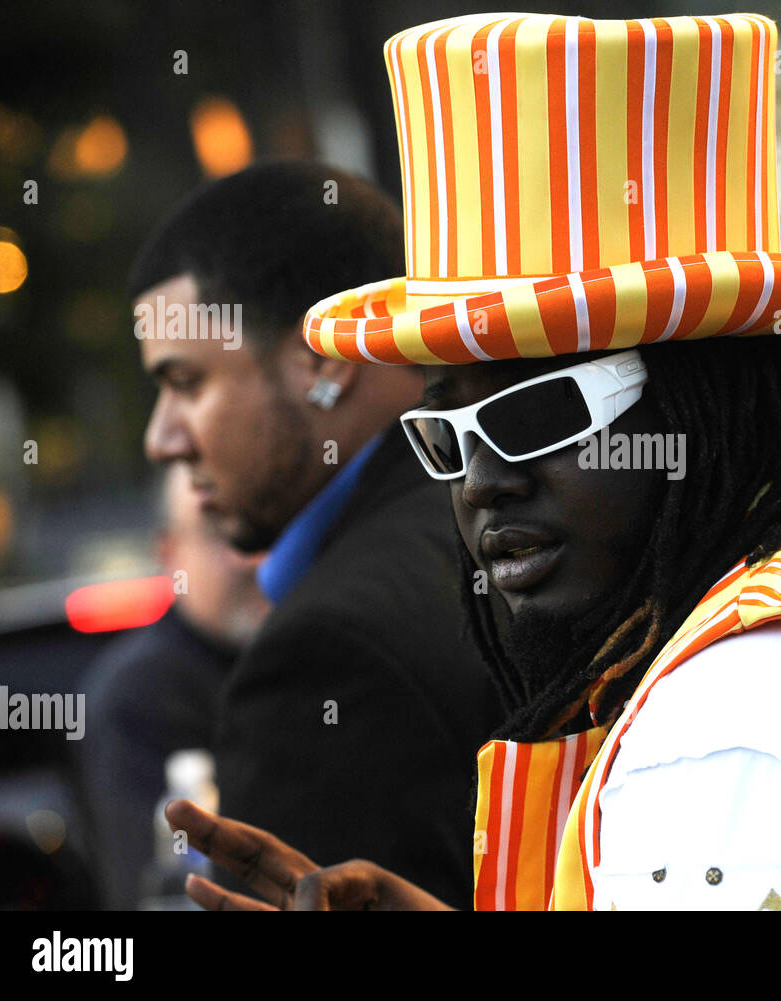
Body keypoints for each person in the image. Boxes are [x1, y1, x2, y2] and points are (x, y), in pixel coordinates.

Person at [166, 13, 781, 910]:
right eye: (449, 434)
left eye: (541, 412)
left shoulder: (738, 733)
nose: (483, 481)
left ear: (701, 400)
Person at [130, 161, 502, 910]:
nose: (161, 437)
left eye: (186, 382)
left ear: (325, 357)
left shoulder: (325, 651)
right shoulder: (519, 519)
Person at [73, 464, 268, 909]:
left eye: (260, 531)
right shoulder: (135, 699)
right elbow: (149, 889)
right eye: (219, 533)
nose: (249, 560)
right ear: (168, 552)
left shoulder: (313, 653)